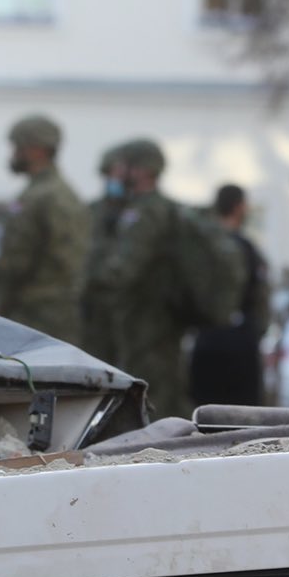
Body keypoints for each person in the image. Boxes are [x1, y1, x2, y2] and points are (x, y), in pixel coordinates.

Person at [0, 114, 90, 343]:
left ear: (37, 149)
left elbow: (16, 261)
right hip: (58, 311)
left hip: (35, 314)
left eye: (18, 147)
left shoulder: (39, 197)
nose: (13, 154)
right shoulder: (63, 193)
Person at [103, 139, 192, 419]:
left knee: (151, 398)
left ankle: (159, 455)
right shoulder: (164, 207)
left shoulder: (145, 211)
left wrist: (98, 277)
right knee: (165, 389)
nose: (120, 174)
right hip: (159, 321)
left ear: (140, 169)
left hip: (146, 322)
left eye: (125, 167)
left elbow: (126, 268)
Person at [188, 184, 271, 407]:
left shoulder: (199, 247)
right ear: (238, 207)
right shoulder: (247, 248)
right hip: (240, 344)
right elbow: (261, 296)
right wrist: (258, 331)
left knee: (204, 415)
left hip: (206, 341)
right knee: (242, 417)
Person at [78, 144, 131, 366]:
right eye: (112, 173)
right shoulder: (92, 211)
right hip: (95, 305)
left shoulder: (138, 211)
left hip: (127, 306)